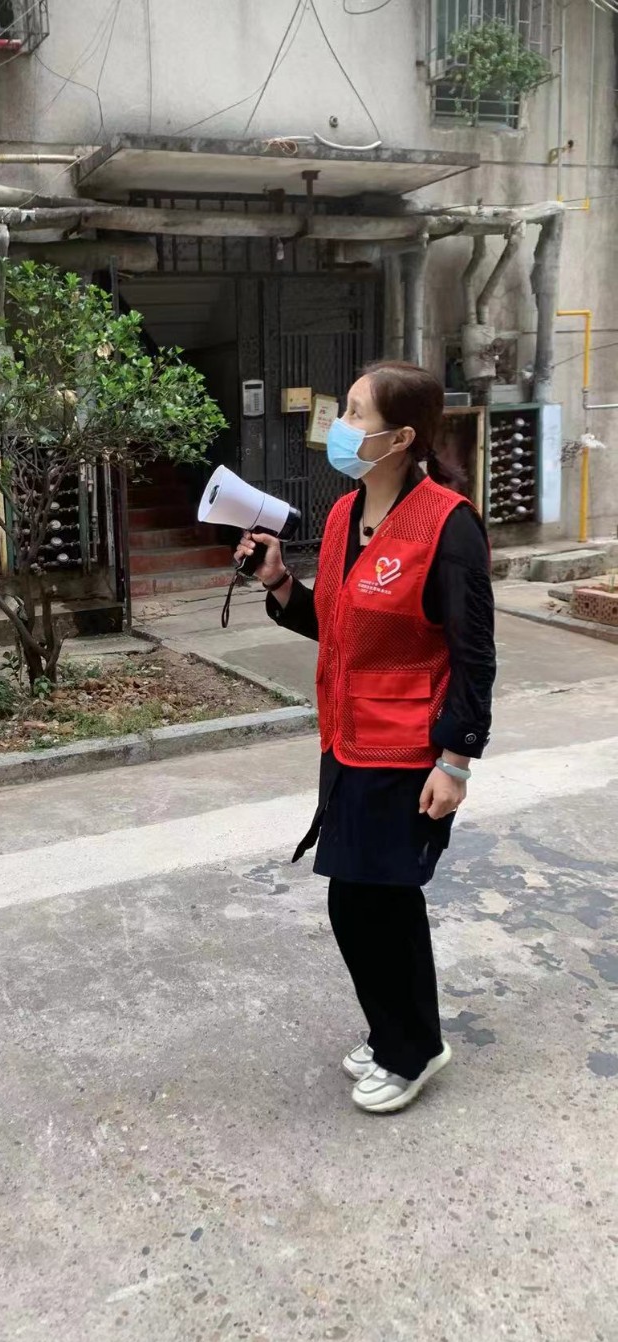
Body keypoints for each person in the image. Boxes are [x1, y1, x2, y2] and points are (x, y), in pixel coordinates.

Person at [237, 360, 496, 1115]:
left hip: (410, 754)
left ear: (401, 437)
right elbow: (340, 626)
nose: (339, 426)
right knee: (366, 905)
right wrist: (280, 583)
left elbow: (474, 656)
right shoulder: (347, 515)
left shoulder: (448, 525)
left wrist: (456, 760)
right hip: (347, 743)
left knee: (373, 906)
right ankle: (395, 1032)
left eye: (355, 413)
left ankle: (412, 1049)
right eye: (343, 408)